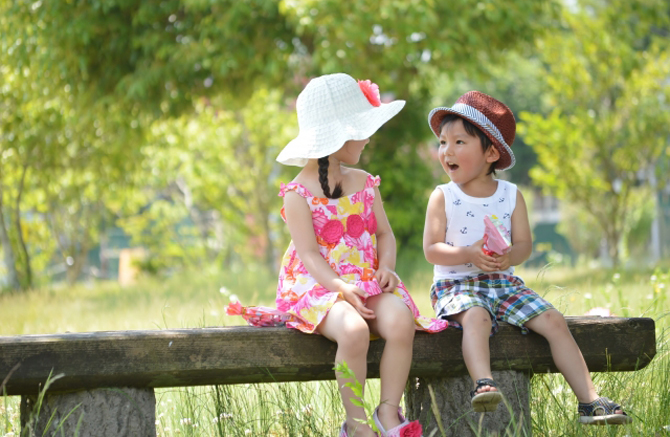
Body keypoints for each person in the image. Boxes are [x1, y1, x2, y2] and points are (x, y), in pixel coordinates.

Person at [229, 73, 445, 437]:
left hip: (365, 281)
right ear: (336, 136)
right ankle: (357, 423)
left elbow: (383, 234)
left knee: (400, 321)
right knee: (354, 330)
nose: (368, 137)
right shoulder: (297, 193)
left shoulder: (364, 182)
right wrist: (341, 288)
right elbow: (310, 255)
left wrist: (386, 268)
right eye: (360, 129)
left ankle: (388, 412)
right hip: (319, 286)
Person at [422, 91, 631, 425]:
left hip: (504, 283)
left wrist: (507, 258)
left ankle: (590, 401)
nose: (447, 151)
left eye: (459, 142)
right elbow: (432, 249)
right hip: (456, 285)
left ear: (491, 152)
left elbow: (523, 246)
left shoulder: (510, 195)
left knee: (553, 320)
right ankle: (483, 383)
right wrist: (468, 253)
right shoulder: (444, 196)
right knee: (477, 317)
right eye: (443, 142)